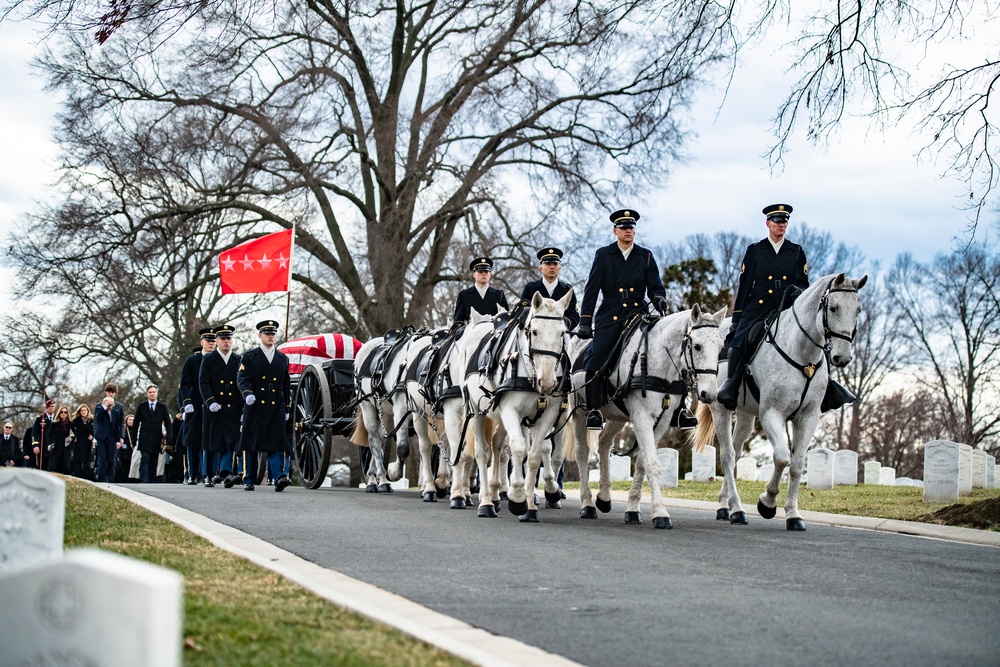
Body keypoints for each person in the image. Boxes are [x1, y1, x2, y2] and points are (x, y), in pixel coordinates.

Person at [578, 209, 668, 430]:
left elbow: (655, 286)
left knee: (666, 350)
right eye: (624, 228)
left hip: (638, 313)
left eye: (632, 228)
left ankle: (677, 406)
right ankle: (593, 410)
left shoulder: (645, 255)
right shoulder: (603, 254)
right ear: (615, 231)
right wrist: (585, 320)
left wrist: (659, 299)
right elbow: (591, 290)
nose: (629, 231)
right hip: (611, 313)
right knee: (597, 356)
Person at [237, 319, 292, 492]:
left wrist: (287, 407)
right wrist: (247, 394)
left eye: (273, 334)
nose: (271, 337)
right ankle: (249, 478)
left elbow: (286, 384)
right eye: (267, 334)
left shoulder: (282, 358)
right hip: (255, 404)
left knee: (276, 443)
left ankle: (279, 476)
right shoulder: (249, 356)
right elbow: (242, 378)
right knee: (252, 443)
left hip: (276, 405)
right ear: (260, 335)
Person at [199, 324, 242, 487]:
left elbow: (241, 382)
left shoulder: (238, 359)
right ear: (216, 341)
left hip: (232, 406)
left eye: (229, 339)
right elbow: (203, 383)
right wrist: (210, 401)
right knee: (211, 441)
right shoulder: (208, 359)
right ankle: (209, 474)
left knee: (229, 441)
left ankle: (225, 472)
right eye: (223, 339)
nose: (226, 342)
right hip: (214, 406)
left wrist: (241, 406)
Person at [179, 327, 216, 484]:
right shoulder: (192, 361)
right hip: (195, 404)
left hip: (211, 405)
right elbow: (185, 384)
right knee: (192, 441)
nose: (211, 344)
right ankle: (193, 474)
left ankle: (210, 474)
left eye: (213, 341)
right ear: (202, 342)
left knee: (211, 441)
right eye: (208, 341)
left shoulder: (217, 360)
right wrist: (186, 402)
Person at [518, 247, 580, 329]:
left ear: (559, 268)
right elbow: (522, 312)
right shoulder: (530, 288)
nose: (552, 267)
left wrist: (559, 323)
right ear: (541, 268)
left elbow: (574, 316)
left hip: (560, 336)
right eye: (548, 264)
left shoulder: (567, 290)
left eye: (555, 264)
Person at [133, 385, 172, 483]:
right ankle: (144, 480)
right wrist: (133, 438)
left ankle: (151, 481)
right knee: (145, 459)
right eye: (150, 392)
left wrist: (169, 437)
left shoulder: (162, 407)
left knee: (154, 460)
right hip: (144, 437)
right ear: (147, 394)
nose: (152, 394)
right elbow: (136, 422)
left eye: (154, 392)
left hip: (156, 437)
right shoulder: (142, 406)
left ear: (157, 393)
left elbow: (167, 422)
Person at [453, 256, 509, 324]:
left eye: (486, 271)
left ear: (490, 274)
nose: (484, 274)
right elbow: (458, 322)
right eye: (480, 271)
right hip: (472, 332)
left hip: (492, 332)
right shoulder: (464, 295)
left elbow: (506, 319)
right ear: (474, 274)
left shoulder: (499, 295)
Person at [94, 385, 126, 483]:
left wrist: (121, 437)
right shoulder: (99, 406)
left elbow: (120, 423)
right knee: (102, 459)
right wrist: (105, 406)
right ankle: (101, 480)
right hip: (102, 436)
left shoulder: (119, 406)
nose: (110, 394)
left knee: (112, 460)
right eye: (109, 391)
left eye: (112, 392)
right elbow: (97, 418)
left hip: (112, 437)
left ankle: (111, 480)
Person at [70, 404, 95, 479]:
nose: (83, 412)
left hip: (88, 443)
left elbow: (96, 431)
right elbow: (72, 432)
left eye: (85, 410)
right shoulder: (75, 421)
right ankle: (79, 477)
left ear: (88, 411)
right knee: (78, 463)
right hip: (79, 443)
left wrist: (92, 436)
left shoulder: (92, 420)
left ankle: (87, 478)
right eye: (82, 410)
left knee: (88, 463)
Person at [46, 405, 74, 474]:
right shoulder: (54, 423)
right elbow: (50, 435)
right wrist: (49, 444)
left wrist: (72, 439)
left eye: (65, 412)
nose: (63, 414)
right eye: (61, 412)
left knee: (65, 466)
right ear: (59, 413)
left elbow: (75, 435)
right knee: (54, 466)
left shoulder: (70, 424)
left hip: (66, 447)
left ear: (67, 414)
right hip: (56, 447)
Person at [31, 399, 57, 470]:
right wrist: (35, 445)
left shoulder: (57, 418)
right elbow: (34, 432)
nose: (51, 408)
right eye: (49, 406)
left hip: (55, 448)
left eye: (52, 406)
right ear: (46, 408)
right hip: (43, 448)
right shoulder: (40, 419)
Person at [117, 414, 137, 483]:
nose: (131, 421)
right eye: (129, 420)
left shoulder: (136, 430)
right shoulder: (123, 430)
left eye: (132, 420)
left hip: (133, 453)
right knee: (124, 469)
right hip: (124, 453)